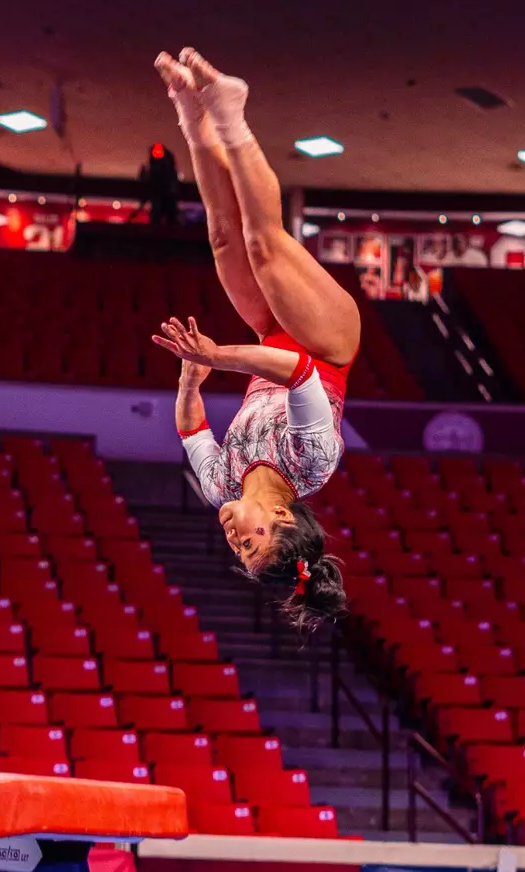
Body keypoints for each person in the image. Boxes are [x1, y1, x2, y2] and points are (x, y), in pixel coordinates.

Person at [150, 47, 359, 633]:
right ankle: (231, 111)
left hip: (271, 333)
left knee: (221, 237)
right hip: (326, 341)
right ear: (282, 518)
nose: (235, 539)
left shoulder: (222, 484)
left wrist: (192, 380)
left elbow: (191, 428)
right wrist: (217, 357)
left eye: (237, 551)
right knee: (262, 245)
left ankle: (191, 109)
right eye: (252, 544)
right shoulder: (313, 463)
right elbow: (296, 372)